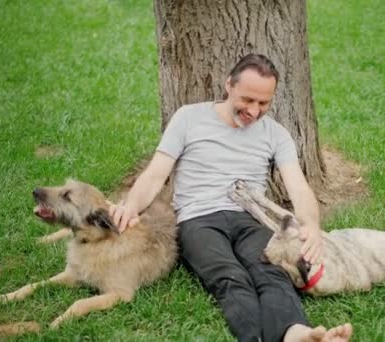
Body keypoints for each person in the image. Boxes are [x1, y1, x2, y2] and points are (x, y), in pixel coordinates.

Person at [110, 54, 352, 342]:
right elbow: (155, 174)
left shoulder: (276, 134)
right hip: (198, 220)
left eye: (264, 103)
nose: (254, 110)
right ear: (229, 85)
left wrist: (310, 223)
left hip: (248, 219)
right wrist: (131, 206)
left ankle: (296, 334)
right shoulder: (189, 117)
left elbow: (298, 186)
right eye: (247, 99)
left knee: (272, 271)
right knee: (231, 277)